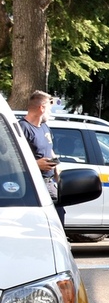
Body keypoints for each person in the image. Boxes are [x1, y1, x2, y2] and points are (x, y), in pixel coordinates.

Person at [18, 90, 63, 223]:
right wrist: (35, 164)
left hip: (50, 183)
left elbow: (50, 149)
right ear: (41, 108)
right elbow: (13, 159)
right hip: (33, 184)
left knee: (59, 214)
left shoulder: (44, 127)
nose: (51, 113)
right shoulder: (23, 128)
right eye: (49, 109)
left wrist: (57, 169)